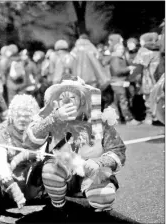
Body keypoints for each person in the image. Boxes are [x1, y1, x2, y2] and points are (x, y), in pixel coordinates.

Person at [23, 76, 126, 218]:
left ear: (82, 101)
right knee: (51, 170)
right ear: (56, 102)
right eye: (62, 98)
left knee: (104, 196)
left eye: (73, 97)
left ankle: (100, 212)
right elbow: (29, 142)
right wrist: (54, 118)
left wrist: (99, 162)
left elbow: (118, 151)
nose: (67, 102)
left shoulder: (99, 121)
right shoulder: (52, 120)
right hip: (62, 173)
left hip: (92, 172)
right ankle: (58, 207)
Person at [0, 94, 46, 209]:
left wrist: (22, 157)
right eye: (18, 115)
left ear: (33, 117)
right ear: (11, 115)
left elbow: (44, 153)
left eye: (26, 116)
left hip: (32, 176)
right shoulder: (3, 130)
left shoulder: (39, 129)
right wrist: (12, 187)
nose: (22, 119)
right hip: (11, 178)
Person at [107, 34, 138, 124]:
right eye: (119, 49)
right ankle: (129, 119)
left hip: (120, 82)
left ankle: (117, 119)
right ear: (115, 50)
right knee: (123, 101)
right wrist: (128, 68)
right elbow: (117, 71)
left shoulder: (120, 58)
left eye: (122, 49)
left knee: (117, 101)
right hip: (118, 82)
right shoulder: (115, 59)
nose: (121, 51)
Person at [131, 32, 160, 125]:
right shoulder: (159, 48)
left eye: (140, 40)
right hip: (158, 77)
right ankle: (158, 117)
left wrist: (132, 78)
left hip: (148, 78)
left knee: (148, 98)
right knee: (158, 96)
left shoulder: (143, 50)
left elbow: (138, 66)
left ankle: (150, 117)